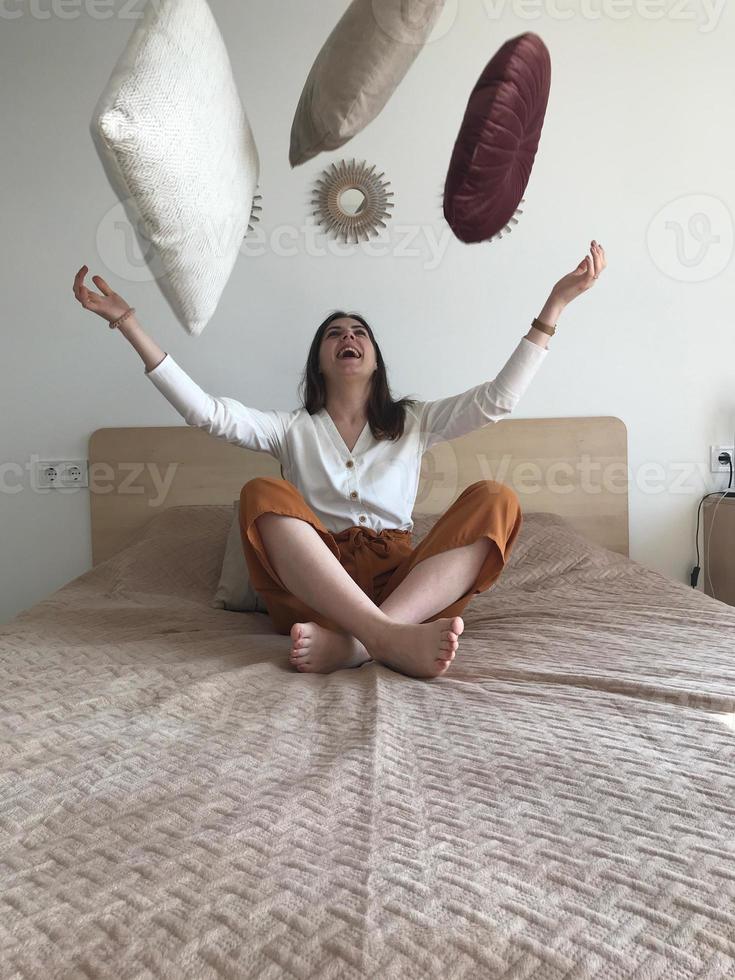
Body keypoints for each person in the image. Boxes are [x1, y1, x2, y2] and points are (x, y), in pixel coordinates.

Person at [72, 241, 606, 680]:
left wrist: (554, 306)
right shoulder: (289, 428)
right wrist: (128, 325)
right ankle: (388, 639)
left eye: (358, 333)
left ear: (374, 358)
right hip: (315, 590)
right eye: (334, 334)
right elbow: (207, 413)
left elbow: (497, 402)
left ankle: (357, 644)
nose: (348, 337)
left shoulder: (414, 421)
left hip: (403, 584)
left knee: (498, 499)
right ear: (320, 361)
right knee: (261, 493)